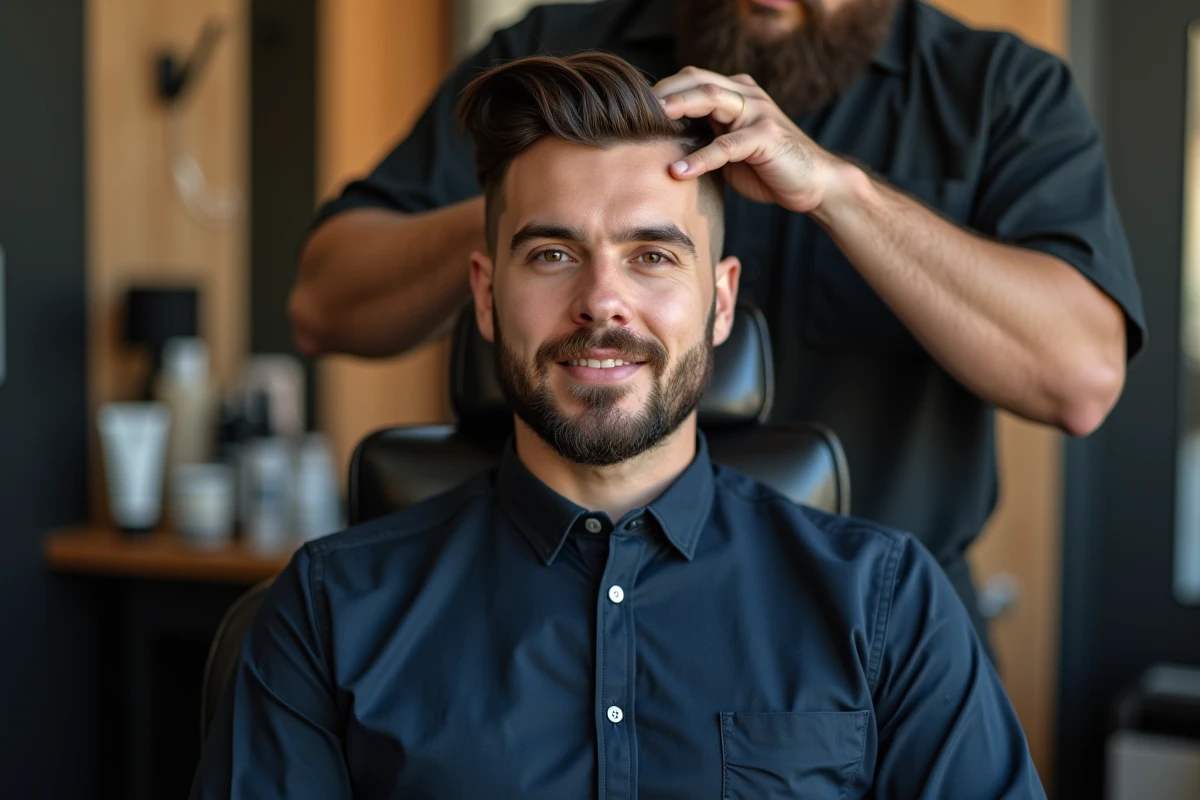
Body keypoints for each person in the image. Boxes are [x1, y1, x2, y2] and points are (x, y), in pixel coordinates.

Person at [194, 53, 1045, 799]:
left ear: (721, 301)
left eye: (652, 256)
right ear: (486, 296)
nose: (602, 301)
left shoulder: (888, 605)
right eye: (553, 254)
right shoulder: (328, 612)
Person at [290, 0, 1147, 645]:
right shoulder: (553, 48)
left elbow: (1080, 377)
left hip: (869, 631)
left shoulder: (996, 91)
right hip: (541, 611)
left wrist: (841, 195)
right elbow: (325, 302)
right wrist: (548, 195)